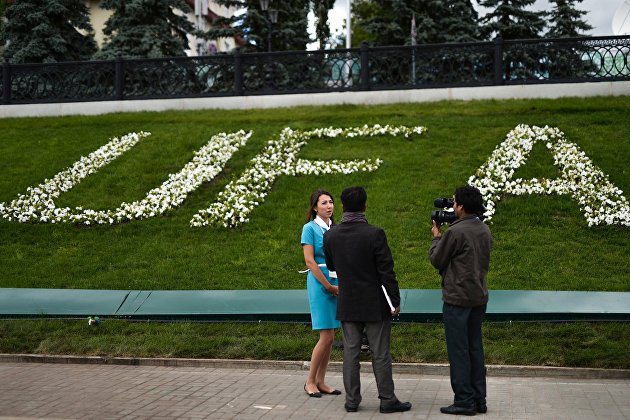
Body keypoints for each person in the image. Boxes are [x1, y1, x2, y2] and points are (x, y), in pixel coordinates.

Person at [323, 186, 411, 414]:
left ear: (342, 206)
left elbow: (331, 266)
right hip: (374, 304)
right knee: (380, 353)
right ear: (365, 206)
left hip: (348, 302)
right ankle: (387, 399)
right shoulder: (375, 234)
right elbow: (386, 271)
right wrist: (394, 299)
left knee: (351, 353)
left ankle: (352, 401)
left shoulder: (330, 235)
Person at [428, 185, 492, 416]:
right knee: (475, 348)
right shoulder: (484, 229)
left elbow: (437, 259)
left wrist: (436, 238)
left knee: (459, 352)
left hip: (457, 300)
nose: (451, 205)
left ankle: (464, 401)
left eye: (454, 202)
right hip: (478, 298)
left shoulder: (455, 232)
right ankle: (479, 399)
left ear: (461, 207)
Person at [301, 189, 342, 398]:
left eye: (331, 202)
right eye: (324, 202)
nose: (329, 206)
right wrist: (327, 285)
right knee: (325, 336)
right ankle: (310, 381)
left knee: (331, 336)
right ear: (315, 207)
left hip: (337, 281)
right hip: (320, 283)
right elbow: (309, 261)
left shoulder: (336, 228)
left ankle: (321, 381)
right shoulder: (309, 228)